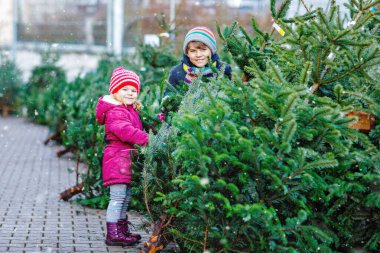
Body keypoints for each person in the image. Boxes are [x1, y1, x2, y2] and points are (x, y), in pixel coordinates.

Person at [95, 67, 148, 247]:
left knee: (125, 198)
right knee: (117, 198)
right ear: (115, 91)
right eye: (125, 89)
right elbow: (126, 131)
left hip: (126, 160)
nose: (130, 93)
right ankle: (113, 233)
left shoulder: (129, 109)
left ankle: (122, 229)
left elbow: (137, 125)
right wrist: (147, 140)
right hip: (117, 159)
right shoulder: (116, 111)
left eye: (133, 90)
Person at [167, 26, 232, 91]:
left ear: (211, 51)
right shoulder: (176, 73)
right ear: (187, 53)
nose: (198, 55)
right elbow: (168, 98)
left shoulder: (224, 70)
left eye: (203, 50)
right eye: (193, 51)